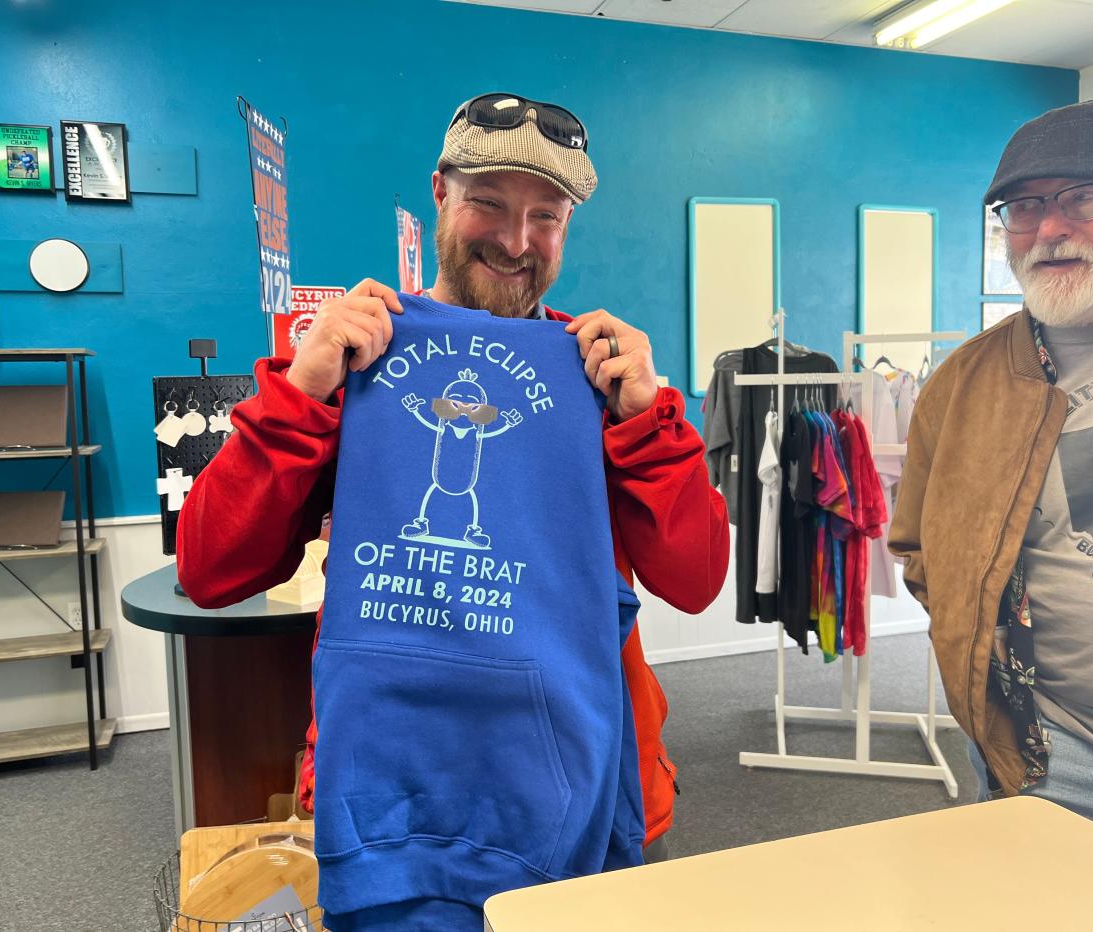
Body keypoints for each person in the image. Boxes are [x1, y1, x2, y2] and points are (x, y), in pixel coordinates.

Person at [177, 92, 728, 873]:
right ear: (441, 193)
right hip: (390, 790)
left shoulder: (601, 380)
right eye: (489, 204)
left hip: (591, 781)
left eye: (547, 216)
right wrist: (300, 396)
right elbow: (210, 569)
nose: (515, 240)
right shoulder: (359, 366)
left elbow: (697, 579)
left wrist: (649, 426)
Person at [890, 98, 1093, 850]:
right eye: (1023, 207)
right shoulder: (962, 386)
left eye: (1084, 196)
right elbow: (923, 551)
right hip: (1052, 756)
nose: (1049, 229)